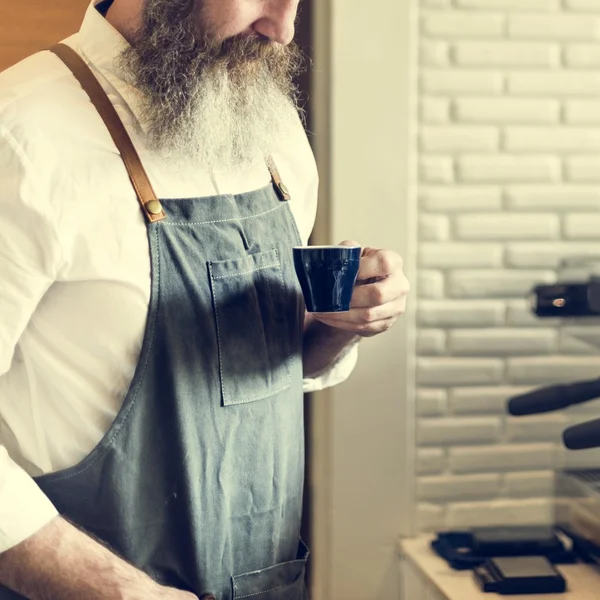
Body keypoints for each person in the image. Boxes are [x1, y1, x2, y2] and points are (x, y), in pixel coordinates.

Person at [0, 0, 409, 598]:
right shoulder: (21, 136)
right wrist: (116, 590)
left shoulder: (270, 131)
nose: (283, 27)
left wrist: (335, 329)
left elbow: (237, 377)